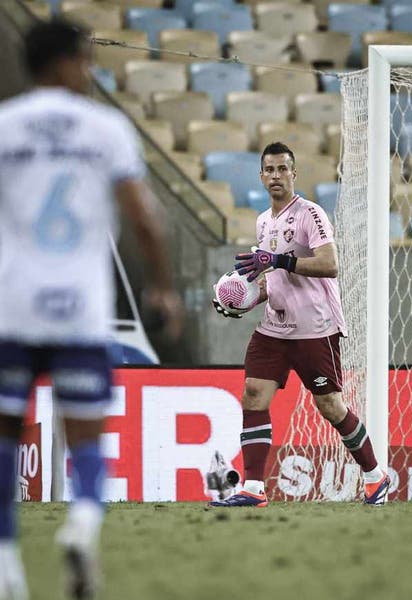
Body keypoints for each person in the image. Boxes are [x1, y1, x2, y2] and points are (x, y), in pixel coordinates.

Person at [0, 18, 183, 600]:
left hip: (13, 305)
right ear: (62, 62)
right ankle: (81, 524)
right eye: (84, 59)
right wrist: (162, 287)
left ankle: (7, 570)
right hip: (80, 308)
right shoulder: (106, 129)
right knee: (85, 436)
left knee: (5, 437)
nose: (91, 70)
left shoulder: (4, 127)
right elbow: (145, 221)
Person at [211, 142, 390, 508]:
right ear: (261, 176)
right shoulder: (264, 220)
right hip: (274, 328)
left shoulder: (312, 214)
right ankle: (254, 489)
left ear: (295, 174)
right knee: (253, 395)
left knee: (331, 408)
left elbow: (329, 265)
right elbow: (272, 279)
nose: (276, 176)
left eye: (283, 169)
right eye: (270, 170)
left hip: (315, 328)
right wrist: (243, 300)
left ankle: (375, 477)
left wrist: (277, 259)